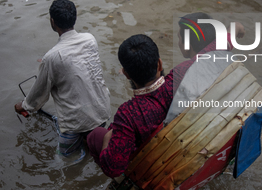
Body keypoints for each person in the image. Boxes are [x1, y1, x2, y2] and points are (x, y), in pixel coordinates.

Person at [87, 13, 244, 178]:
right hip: (188, 145)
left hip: (153, 167)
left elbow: (113, 169)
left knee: (96, 135)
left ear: (126, 74)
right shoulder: (182, 76)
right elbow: (211, 51)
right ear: (160, 64)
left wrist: (106, 140)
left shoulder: (128, 114)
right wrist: (233, 30)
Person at [14, 0, 111, 156]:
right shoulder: (90, 40)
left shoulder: (52, 57)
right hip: (101, 113)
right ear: (75, 17)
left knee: (65, 160)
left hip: (75, 124)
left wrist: (23, 106)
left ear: (52, 22)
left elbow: (38, 95)